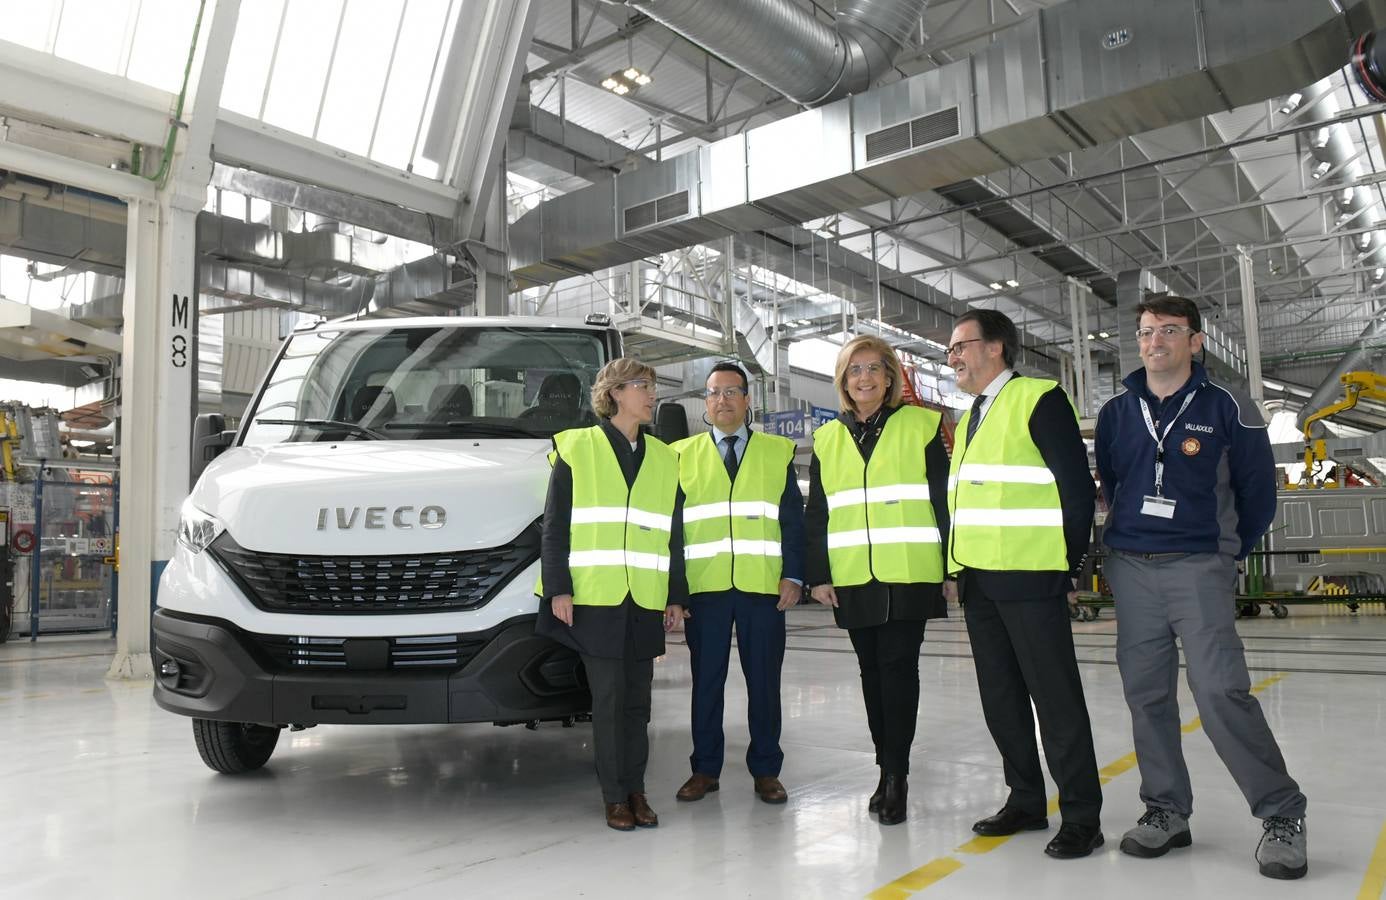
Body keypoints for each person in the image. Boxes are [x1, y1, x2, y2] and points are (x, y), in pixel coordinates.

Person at [1094, 294, 1307, 879]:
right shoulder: (1117, 411)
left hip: (1197, 565)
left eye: (1168, 330)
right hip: (1131, 567)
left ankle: (1282, 813)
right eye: (1144, 332)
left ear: (1195, 341)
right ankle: (1166, 811)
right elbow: (1113, 482)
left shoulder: (1228, 407)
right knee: (1147, 696)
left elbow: (1257, 492)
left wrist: (1221, 552)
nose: (1154, 341)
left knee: (1219, 693)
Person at [943, 308, 1104, 859]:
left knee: (1055, 700)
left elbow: (1075, 488)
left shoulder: (1040, 398)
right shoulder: (970, 418)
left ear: (996, 348)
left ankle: (1082, 815)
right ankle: (1026, 800)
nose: (954, 358)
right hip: (980, 580)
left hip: (1032, 577)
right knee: (1002, 699)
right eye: (951, 350)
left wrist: (1070, 566)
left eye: (961, 346)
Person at [805, 335, 951, 826]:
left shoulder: (923, 425)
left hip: (909, 569)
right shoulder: (826, 439)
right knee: (871, 674)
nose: (863, 378)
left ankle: (897, 776)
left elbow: (943, 501)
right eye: (853, 370)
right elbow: (817, 513)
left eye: (873, 368)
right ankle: (885, 766)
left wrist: (952, 566)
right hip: (852, 575)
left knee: (897, 668)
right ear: (843, 382)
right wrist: (818, 575)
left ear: (890, 377)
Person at [536, 357, 686, 832]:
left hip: (643, 598)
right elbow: (555, 526)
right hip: (594, 598)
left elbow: (672, 534)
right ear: (616, 393)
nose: (651, 394)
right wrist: (559, 587)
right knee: (608, 699)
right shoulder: (577, 448)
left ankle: (636, 789)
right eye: (643, 385)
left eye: (652, 385)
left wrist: (675, 596)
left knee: (638, 704)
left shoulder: (665, 457)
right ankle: (614, 795)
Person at [672, 361, 804, 806]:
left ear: (748, 401)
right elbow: (672, 529)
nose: (722, 400)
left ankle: (767, 769)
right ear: (705, 404)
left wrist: (794, 574)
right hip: (704, 590)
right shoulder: (679, 455)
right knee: (706, 681)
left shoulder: (778, 451)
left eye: (731, 392)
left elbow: (792, 521)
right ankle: (704, 769)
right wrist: (676, 590)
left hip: (763, 588)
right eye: (713, 393)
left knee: (764, 682)